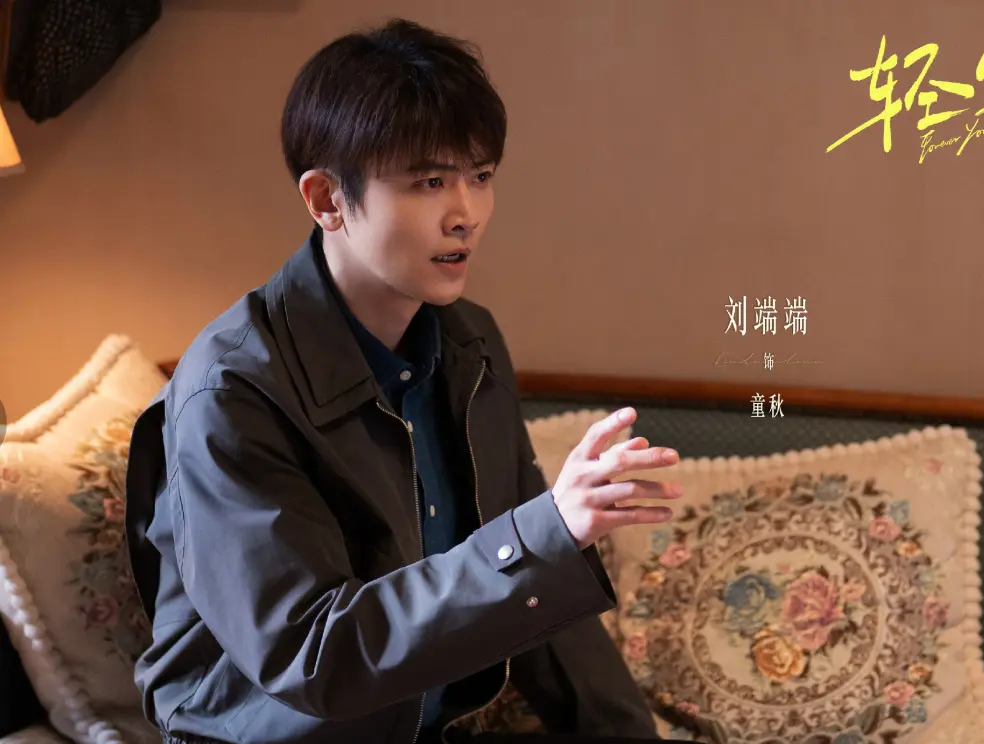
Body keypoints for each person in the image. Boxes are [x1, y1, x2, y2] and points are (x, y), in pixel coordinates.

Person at [124, 17, 684, 744]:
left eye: (480, 177)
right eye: (430, 182)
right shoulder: (232, 389)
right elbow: (314, 655)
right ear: (327, 200)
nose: (466, 215)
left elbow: (544, 612)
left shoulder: (470, 342)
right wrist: (542, 534)